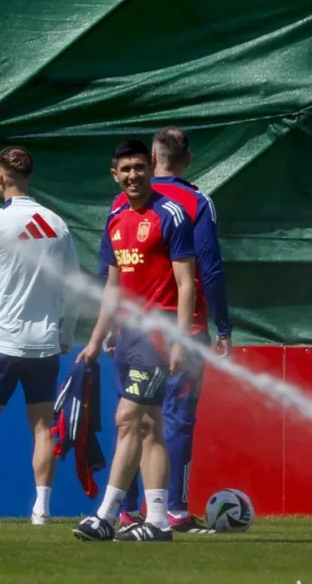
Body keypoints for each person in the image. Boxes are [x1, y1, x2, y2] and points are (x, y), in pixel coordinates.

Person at [106, 127, 230, 532]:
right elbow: (206, 269)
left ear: (152, 160)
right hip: (183, 328)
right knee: (174, 418)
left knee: (134, 415)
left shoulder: (121, 204)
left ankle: (127, 509)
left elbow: (109, 273)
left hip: (131, 331)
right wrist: (223, 325)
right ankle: (173, 509)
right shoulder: (195, 201)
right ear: (188, 160)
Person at [0, 146, 80, 526]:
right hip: (45, 345)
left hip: (3, 341)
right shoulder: (57, 223)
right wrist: (66, 332)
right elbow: (73, 287)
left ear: (1, 176)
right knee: (42, 426)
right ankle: (42, 510)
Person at [73, 139, 196, 542]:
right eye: (124, 169)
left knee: (126, 418)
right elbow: (111, 286)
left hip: (158, 335)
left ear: (153, 165)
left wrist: (179, 340)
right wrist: (96, 338)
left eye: (139, 167)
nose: (132, 175)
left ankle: (107, 515)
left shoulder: (172, 213)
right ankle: (158, 520)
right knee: (148, 426)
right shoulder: (114, 217)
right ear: (115, 174)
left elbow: (186, 282)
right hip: (126, 337)